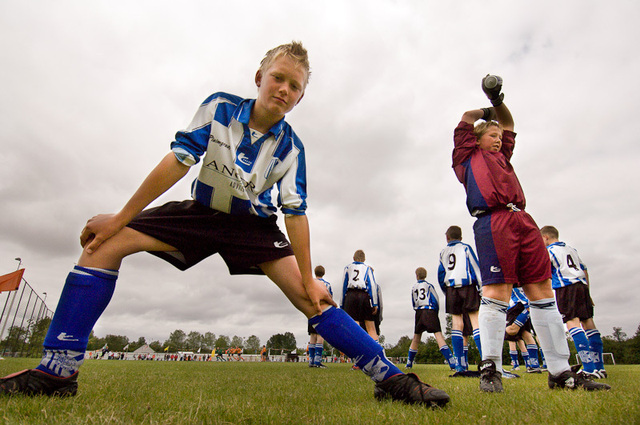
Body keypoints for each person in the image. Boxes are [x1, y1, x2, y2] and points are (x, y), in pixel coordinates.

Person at [0, 41, 448, 407]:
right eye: (278, 77)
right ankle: (58, 370)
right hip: (200, 213)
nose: (284, 89)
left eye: (295, 86)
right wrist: (121, 218)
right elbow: (179, 160)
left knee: (313, 301)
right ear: (260, 78)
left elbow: (295, 212)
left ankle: (392, 380)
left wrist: (311, 277)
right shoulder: (219, 107)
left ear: (301, 96)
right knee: (102, 246)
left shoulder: (292, 148)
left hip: (251, 226)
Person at [451, 74, 609, 392]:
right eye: (491, 135)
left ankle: (560, 372)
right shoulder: (466, 157)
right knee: (497, 293)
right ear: (477, 139)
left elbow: (508, 123)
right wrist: (487, 108)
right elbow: (468, 118)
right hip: (493, 222)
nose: (498, 138)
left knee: (543, 294)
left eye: (499, 136)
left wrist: (499, 104)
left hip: (523, 220)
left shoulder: (502, 156)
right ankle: (491, 369)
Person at [540, 225, 607, 378]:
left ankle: (588, 369)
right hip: (582, 286)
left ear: (545, 238)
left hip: (566, 288)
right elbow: (585, 270)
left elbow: (544, 272)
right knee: (588, 322)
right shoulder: (571, 249)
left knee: (572, 323)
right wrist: (588, 293)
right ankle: (600, 368)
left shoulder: (549, 251)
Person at [437, 225, 482, 373]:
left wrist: (447, 292)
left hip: (451, 289)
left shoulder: (443, 252)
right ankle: (487, 361)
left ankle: (460, 365)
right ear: (461, 237)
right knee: (475, 322)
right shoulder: (466, 248)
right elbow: (476, 268)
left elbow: (441, 275)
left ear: (447, 238)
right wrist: (481, 289)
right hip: (467, 286)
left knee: (457, 324)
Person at [405, 267, 456, 371]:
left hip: (419, 312)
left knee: (416, 338)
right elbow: (436, 299)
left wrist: (417, 309)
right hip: (430, 311)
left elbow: (413, 301)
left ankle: (409, 363)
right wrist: (435, 312)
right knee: (438, 336)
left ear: (416, 275)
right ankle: (451, 362)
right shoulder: (429, 286)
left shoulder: (414, 287)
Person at [340, 250, 380, 341]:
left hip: (351, 295)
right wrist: (374, 304)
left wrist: (342, 304)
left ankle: (355, 353)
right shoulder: (367, 269)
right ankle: (378, 353)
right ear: (364, 259)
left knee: (355, 326)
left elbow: (343, 285)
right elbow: (372, 286)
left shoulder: (347, 268)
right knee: (371, 328)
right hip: (364, 295)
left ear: (353, 258)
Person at [504, 287, 542, 373]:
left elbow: (516, 289)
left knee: (510, 331)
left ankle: (520, 365)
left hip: (517, 306)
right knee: (526, 334)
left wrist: (527, 306)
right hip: (520, 305)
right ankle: (535, 366)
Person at [307, 265, 332, 368]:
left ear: (315, 272)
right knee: (320, 336)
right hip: (322, 311)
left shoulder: (310, 283)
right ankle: (317, 361)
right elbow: (330, 297)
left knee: (312, 335)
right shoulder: (327, 284)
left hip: (311, 311)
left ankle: (311, 361)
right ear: (323, 273)